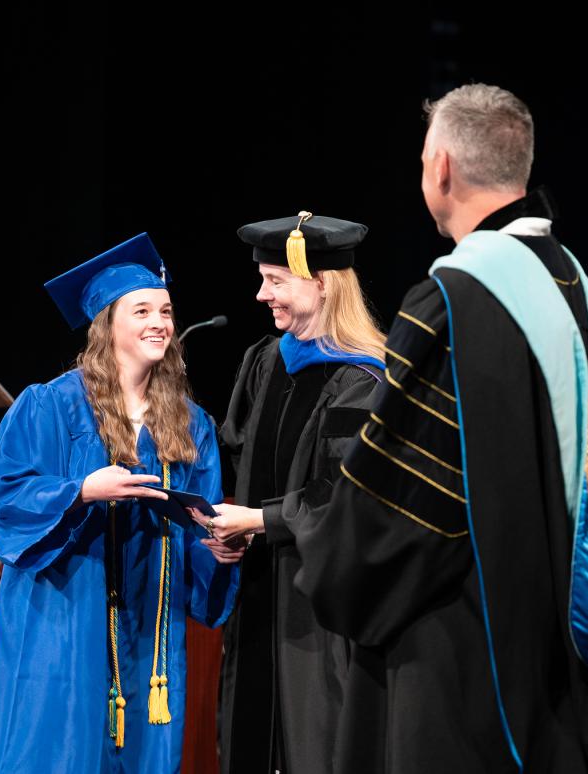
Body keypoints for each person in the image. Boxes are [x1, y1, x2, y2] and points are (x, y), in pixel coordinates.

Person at [275, 84, 588, 773]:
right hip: (561, 654)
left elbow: (399, 512)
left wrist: (320, 551)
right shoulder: (580, 291)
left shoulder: (455, 299)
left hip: (460, 655)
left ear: (441, 168)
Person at [0, 234, 242, 774]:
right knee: (57, 746)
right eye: (141, 310)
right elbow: (2, 501)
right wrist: (80, 491)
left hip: (149, 624)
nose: (159, 322)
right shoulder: (49, 405)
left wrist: (219, 547)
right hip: (64, 615)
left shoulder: (189, 424)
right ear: (105, 324)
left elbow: (202, 520)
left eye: (165, 311)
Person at [194, 213, 385, 774]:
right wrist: (224, 527)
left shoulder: (362, 379)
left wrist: (258, 521)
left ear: (320, 283)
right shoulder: (265, 359)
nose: (261, 294)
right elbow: (234, 454)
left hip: (318, 603)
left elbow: (345, 495)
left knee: (312, 738)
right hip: (257, 588)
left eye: (275, 280)